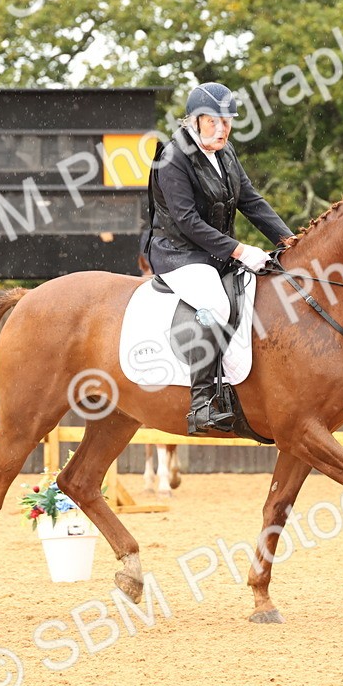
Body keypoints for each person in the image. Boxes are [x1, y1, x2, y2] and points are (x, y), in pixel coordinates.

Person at [143, 82, 293, 435]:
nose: (222, 128)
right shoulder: (172, 157)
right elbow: (187, 221)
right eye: (214, 121)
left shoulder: (225, 153)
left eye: (228, 121)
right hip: (178, 253)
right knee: (216, 305)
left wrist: (289, 241)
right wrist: (240, 250)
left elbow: (251, 202)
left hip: (215, 254)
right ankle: (202, 402)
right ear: (194, 121)